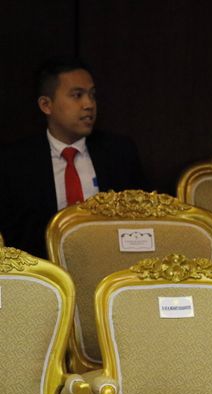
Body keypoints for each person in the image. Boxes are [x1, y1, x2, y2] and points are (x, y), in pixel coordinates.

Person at [0, 56, 144, 258]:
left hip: (110, 266)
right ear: (46, 105)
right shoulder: (14, 162)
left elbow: (142, 222)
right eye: (77, 95)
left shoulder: (119, 153)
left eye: (92, 95)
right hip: (43, 273)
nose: (89, 104)